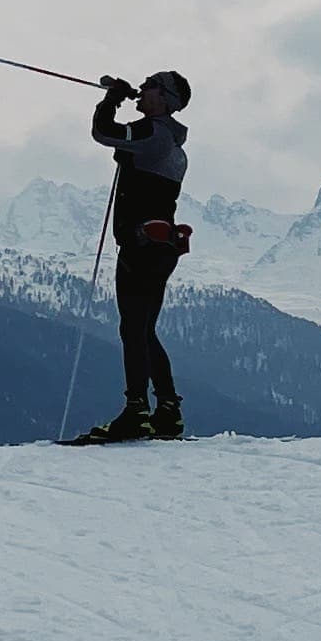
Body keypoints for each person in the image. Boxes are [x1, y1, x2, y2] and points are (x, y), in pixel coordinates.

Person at [80, 71, 192, 441]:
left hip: (140, 246)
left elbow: (102, 131)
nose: (142, 90)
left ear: (167, 100)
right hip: (162, 247)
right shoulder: (171, 145)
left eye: (150, 87)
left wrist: (113, 97)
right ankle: (167, 410)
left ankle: (136, 410)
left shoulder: (151, 135)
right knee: (144, 329)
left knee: (132, 329)